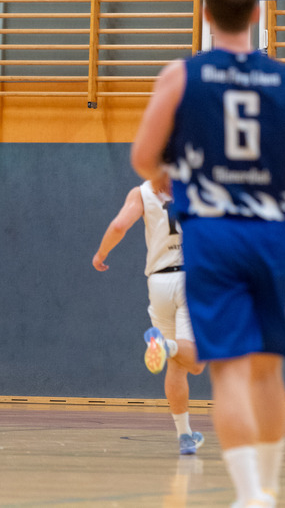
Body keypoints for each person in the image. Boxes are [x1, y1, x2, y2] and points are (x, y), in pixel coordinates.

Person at [130, 0, 285, 508]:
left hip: (212, 235)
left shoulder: (181, 76)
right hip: (270, 233)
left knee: (227, 370)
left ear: (205, 13)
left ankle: (251, 494)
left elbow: (141, 156)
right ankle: (268, 488)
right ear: (256, 13)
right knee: (267, 366)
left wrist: (163, 172)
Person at [92, 181, 207, 455]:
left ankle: (185, 437)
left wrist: (101, 253)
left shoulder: (141, 192)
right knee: (196, 363)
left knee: (176, 366)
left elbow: (120, 226)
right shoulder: (197, 183)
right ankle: (166, 346)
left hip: (158, 282)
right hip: (191, 276)